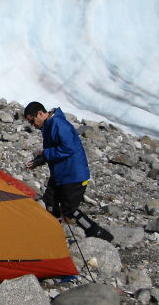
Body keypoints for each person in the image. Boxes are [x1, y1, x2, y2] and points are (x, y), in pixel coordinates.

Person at [24, 101, 113, 241]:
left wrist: (46, 154)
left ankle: (98, 234)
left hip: (73, 174)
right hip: (60, 174)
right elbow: (54, 149)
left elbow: (68, 148)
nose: (32, 125)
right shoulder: (48, 125)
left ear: (40, 114)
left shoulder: (59, 124)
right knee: (50, 200)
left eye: (32, 121)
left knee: (69, 210)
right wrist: (38, 161)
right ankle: (53, 232)